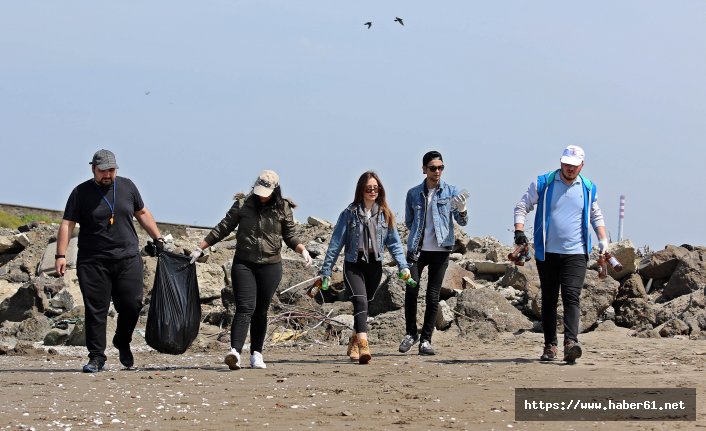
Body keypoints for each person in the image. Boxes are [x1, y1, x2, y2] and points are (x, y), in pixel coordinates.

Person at [189, 170, 312, 370]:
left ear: (275, 190)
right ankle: (235, 352)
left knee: (261, 311)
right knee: (245, 307)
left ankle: (257, 354)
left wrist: (303, 250)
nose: (262, 196)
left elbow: (290, 236)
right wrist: (199, 248)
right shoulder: (242, 204)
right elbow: (223, 228)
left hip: (271, 266)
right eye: (259, 191)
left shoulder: (283, 208)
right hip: (244, 263)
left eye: (266, 193)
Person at [55, 149, 165, 373]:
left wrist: (158, 237)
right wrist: (60, 255)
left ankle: (122, 341)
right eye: (103, 171)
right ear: (93, 169)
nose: (108, 175)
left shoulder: (128, 186)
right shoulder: (80, 192)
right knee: (96, 310)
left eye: (111, 170)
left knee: (133, 304)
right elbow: (67, 224)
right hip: (93, 261)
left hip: (128, 258)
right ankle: (96, 357)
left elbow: (142, 212)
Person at [513, 145, 608, 364]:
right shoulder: (543, 183)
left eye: (574, 166)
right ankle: (550, 345)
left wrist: (603, 240)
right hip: (547, 253)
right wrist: (519, 231)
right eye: (566, 164)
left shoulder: (588, 187)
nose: (569, 169)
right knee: (548, 298)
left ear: (582, 166)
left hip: (576, 252)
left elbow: (596, 216)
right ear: (560, 162)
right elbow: (521, 206)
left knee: (571, 296)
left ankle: (571, 344)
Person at [320, 171, 410, 364]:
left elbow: (394, 243)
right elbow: (336, 243)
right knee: (360, 302)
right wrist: (326, 271)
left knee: (364, 306)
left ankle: (353, 342)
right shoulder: (349, 213)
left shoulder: (385, 214)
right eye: (368, 188)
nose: (372, 191)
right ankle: (363, 344)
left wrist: (403, 266)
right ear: (361, 190)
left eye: (375, 188)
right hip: (353, 265)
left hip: (374, 266)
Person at [398, 151, 468, 356]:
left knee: (432, 295)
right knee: (411, 290)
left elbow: (462, 221)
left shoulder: (452, 191)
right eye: (433, 168)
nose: (437, 171)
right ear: (424, 169)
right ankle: (411, 333)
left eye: (440, 167)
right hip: (416, 251)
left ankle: (426, 340)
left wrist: (462, 209)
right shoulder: (413, 193)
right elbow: (409, 222)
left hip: (441, 251)